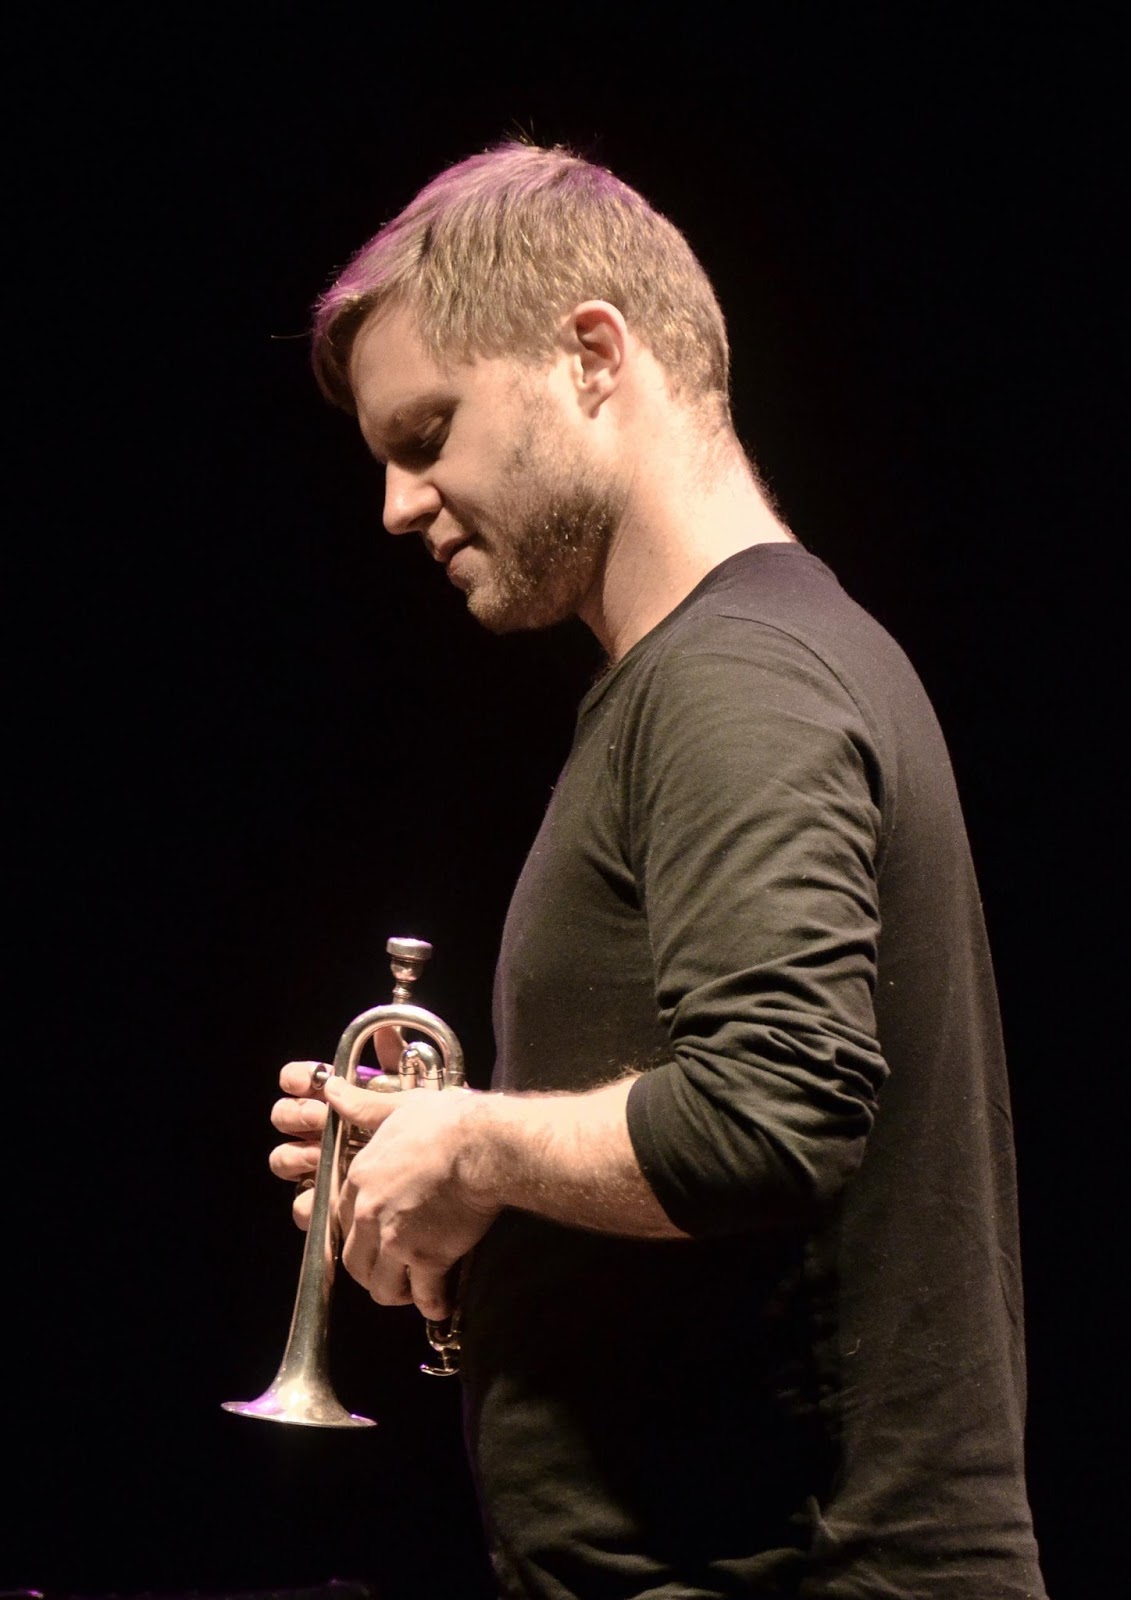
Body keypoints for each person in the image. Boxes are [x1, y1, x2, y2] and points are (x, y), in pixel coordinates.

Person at [268, 142, 1046, 1598]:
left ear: (591, 356)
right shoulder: (715, 673)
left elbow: (772, 1116)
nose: (397, 504)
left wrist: (474, 1143)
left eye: (427, 434)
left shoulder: (737, 680)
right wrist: (459, 1206)